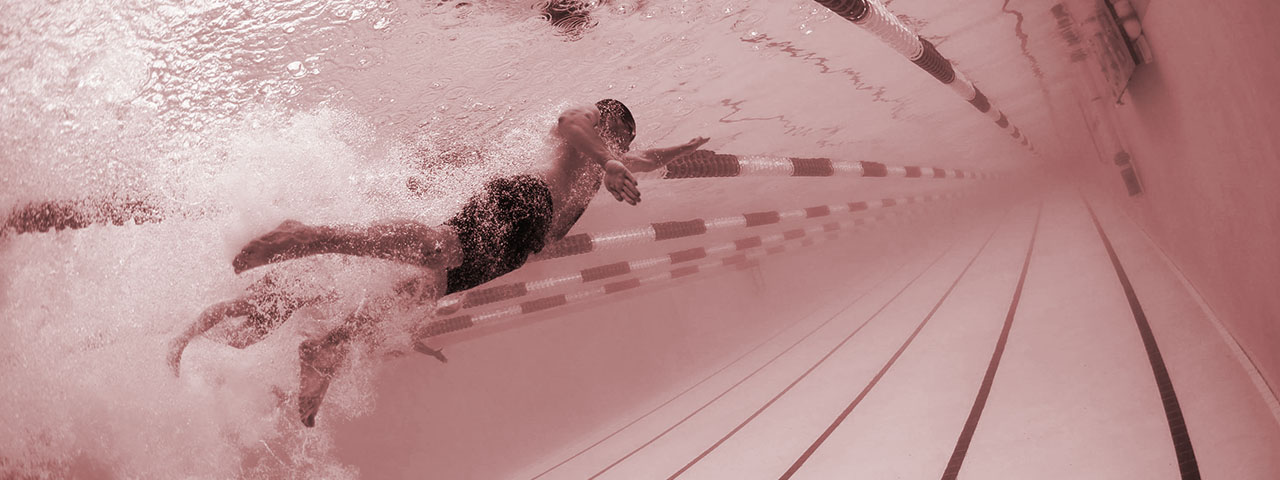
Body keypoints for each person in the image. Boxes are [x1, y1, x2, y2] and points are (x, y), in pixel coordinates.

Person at [167, 99, 710, 427]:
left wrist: (683, 148)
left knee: (417, 292)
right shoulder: (589, 134)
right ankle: (309, 236)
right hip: (523, 200)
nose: (626, 148)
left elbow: (644, 159)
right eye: (622, 137)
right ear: (609, 124)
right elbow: (569, 121)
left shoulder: (606, 163)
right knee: (437, 248)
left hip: (515, 249)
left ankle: (327, 345)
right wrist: (610, 157)